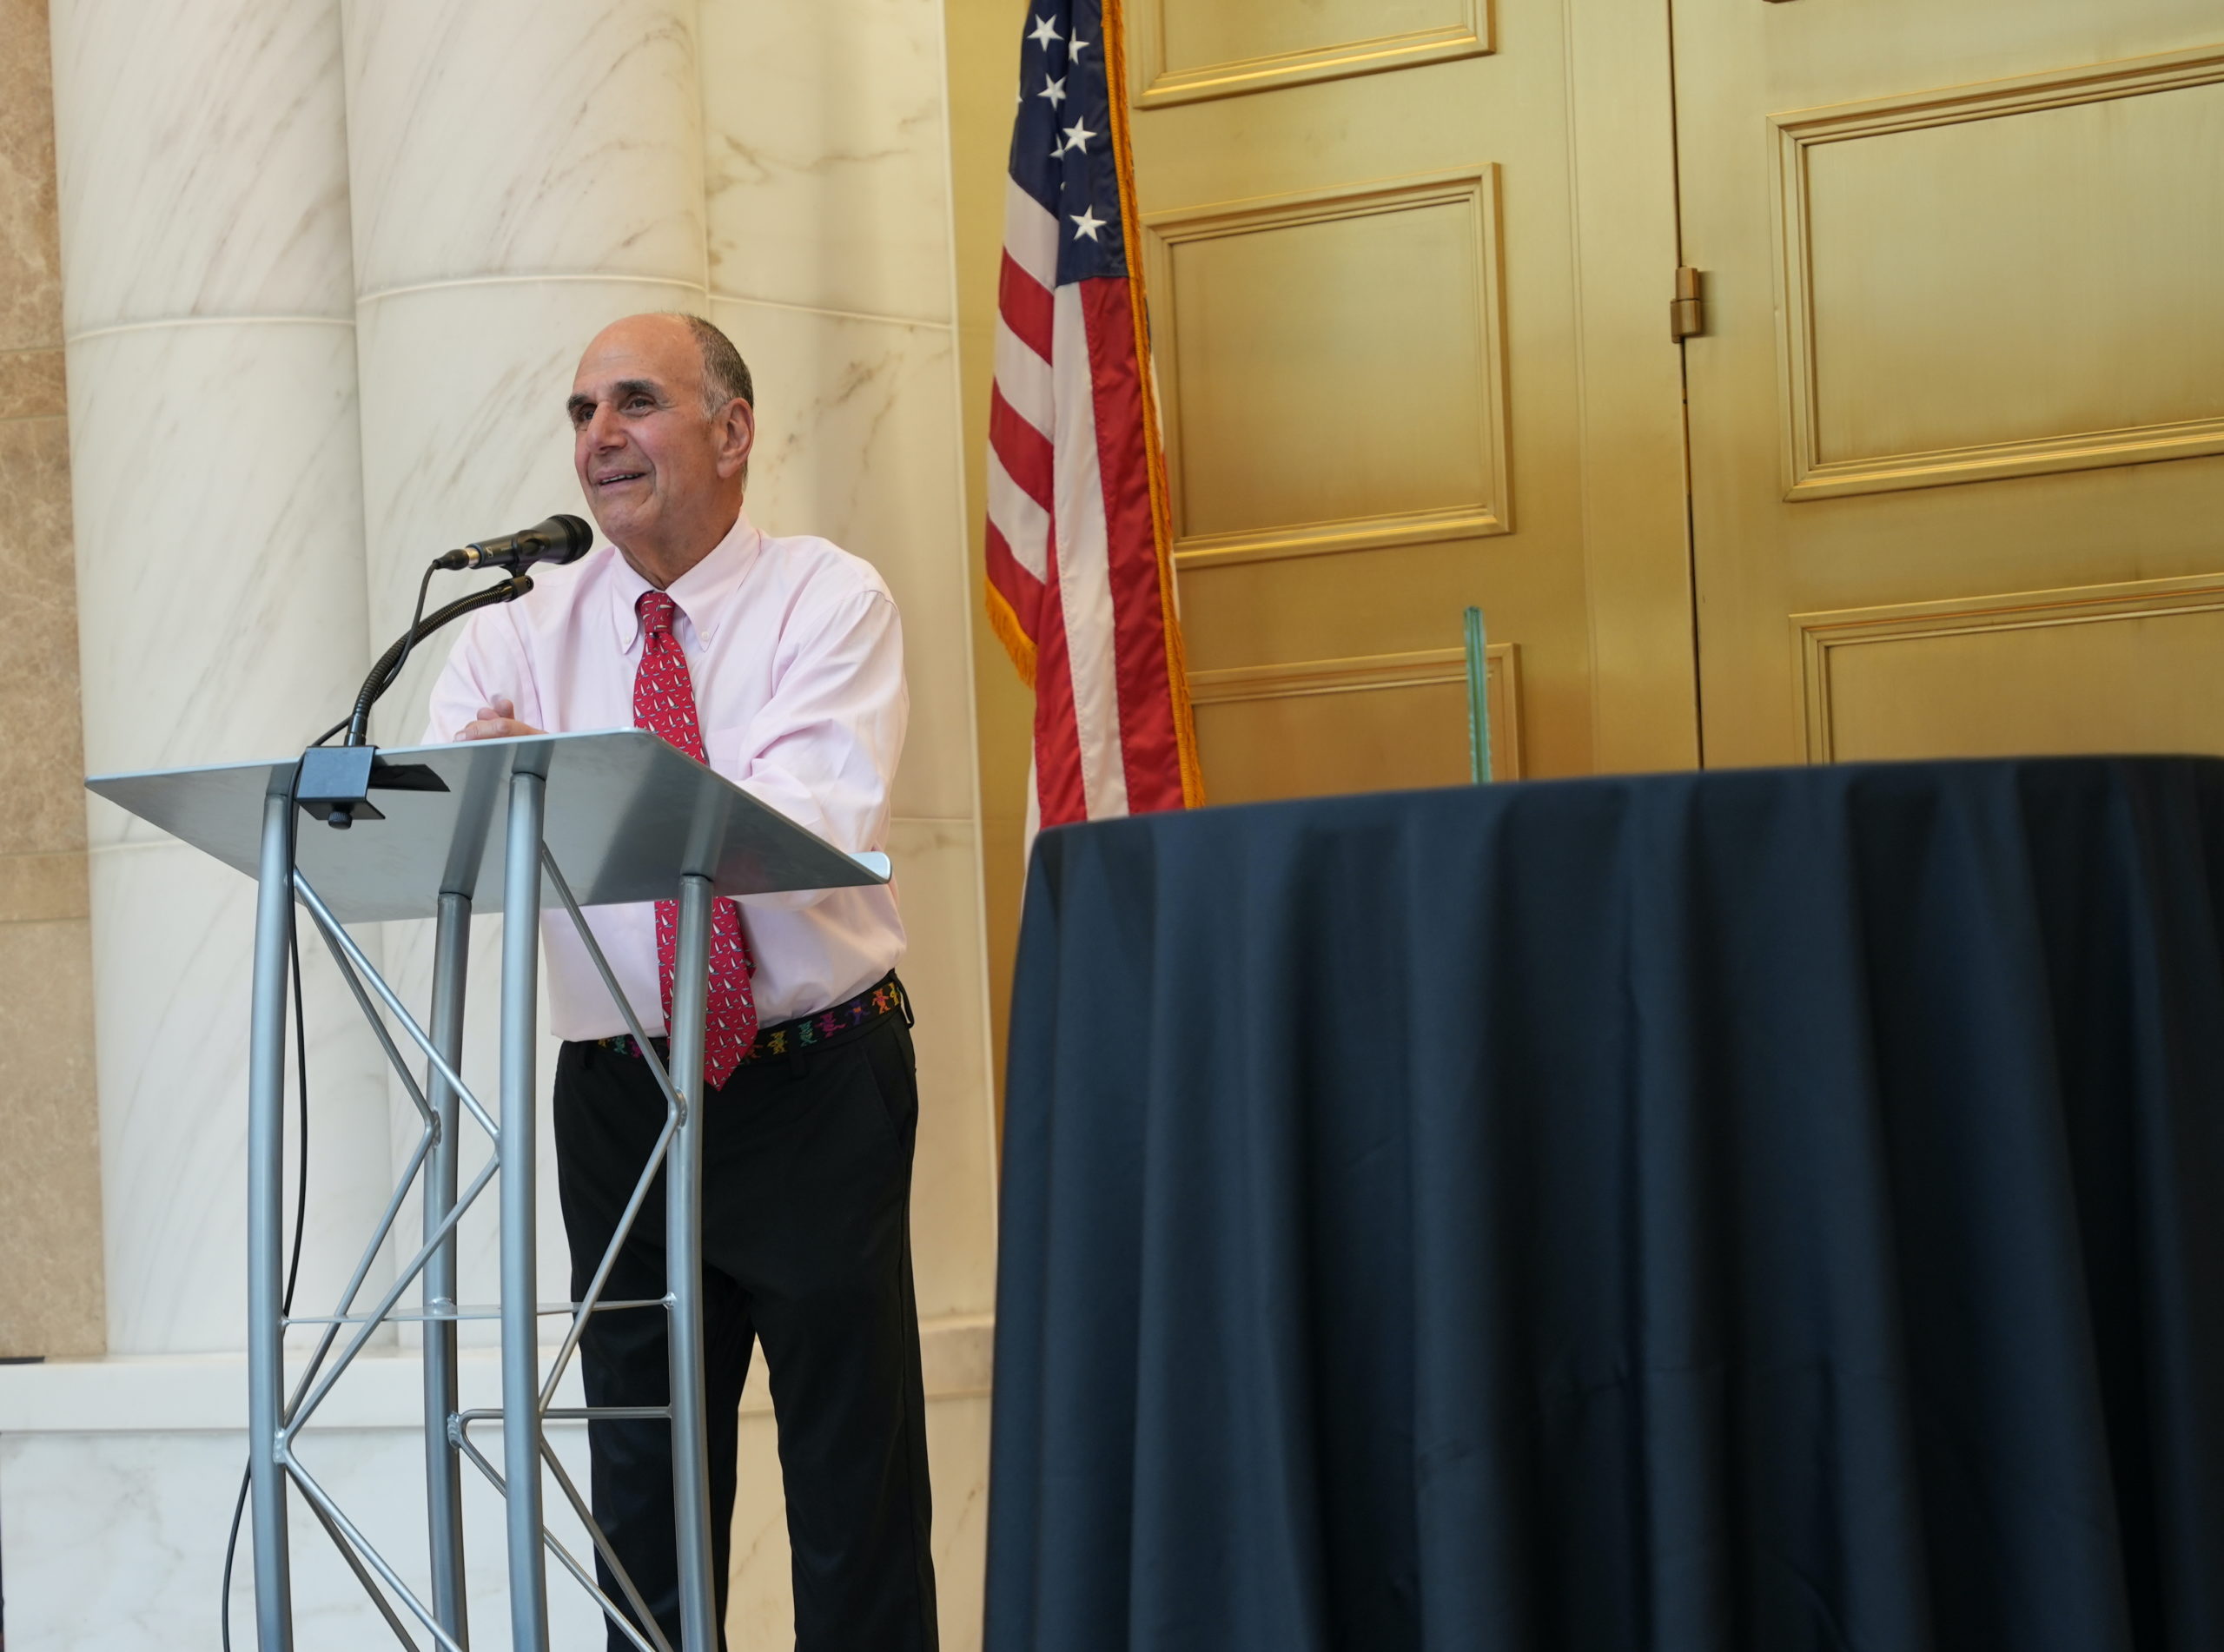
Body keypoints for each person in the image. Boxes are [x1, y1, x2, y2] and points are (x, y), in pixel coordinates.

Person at [425, 312, 936, 1651]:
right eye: (582, 410)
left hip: (812, 1078)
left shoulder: (829, 597)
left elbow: (793, 819)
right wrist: (528, 776)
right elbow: (457, 806)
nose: (600, 437)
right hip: (617, 1100)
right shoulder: (517, 622)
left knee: (849, 1483)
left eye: (636, 402)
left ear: (732, 430)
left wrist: (569, 777)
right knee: (642, 1497)